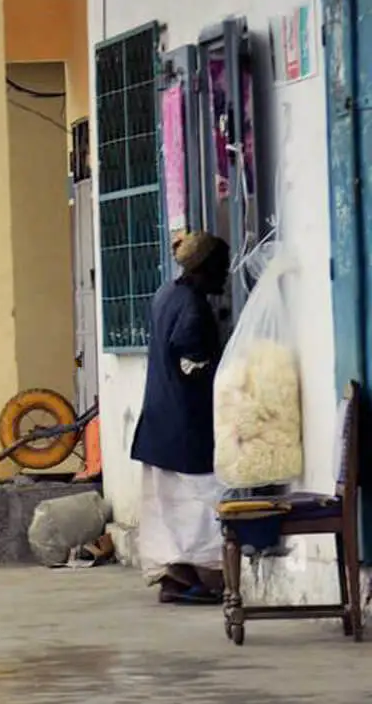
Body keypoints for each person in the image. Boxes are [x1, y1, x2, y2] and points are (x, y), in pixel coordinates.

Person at [131, 230, 232, 605]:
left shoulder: (164, 294)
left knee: (168, 510)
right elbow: (191, 363)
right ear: (203, 269)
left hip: (159, 424)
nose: (224, 277)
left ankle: (176, 579)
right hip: (185, 427)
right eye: (220, 268)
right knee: (204, 507)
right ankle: (200, 580)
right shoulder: (193, 306)